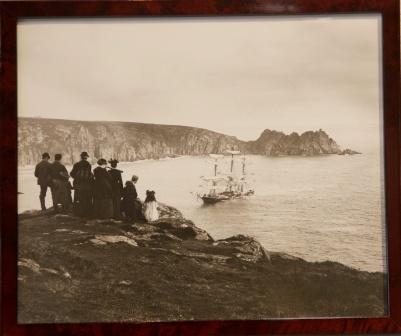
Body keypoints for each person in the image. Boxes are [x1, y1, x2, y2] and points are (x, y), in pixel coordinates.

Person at [70, 151, 93, 218]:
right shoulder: (88, 164)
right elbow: (89, 175)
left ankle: (78, 213)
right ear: (86, 157)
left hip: (78, 185)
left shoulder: (76, 164)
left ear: (81, 157)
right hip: (86, 185)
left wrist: (77, 178)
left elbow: (72, 174)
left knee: (78, 198)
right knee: (86, 199)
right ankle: (86, 213)